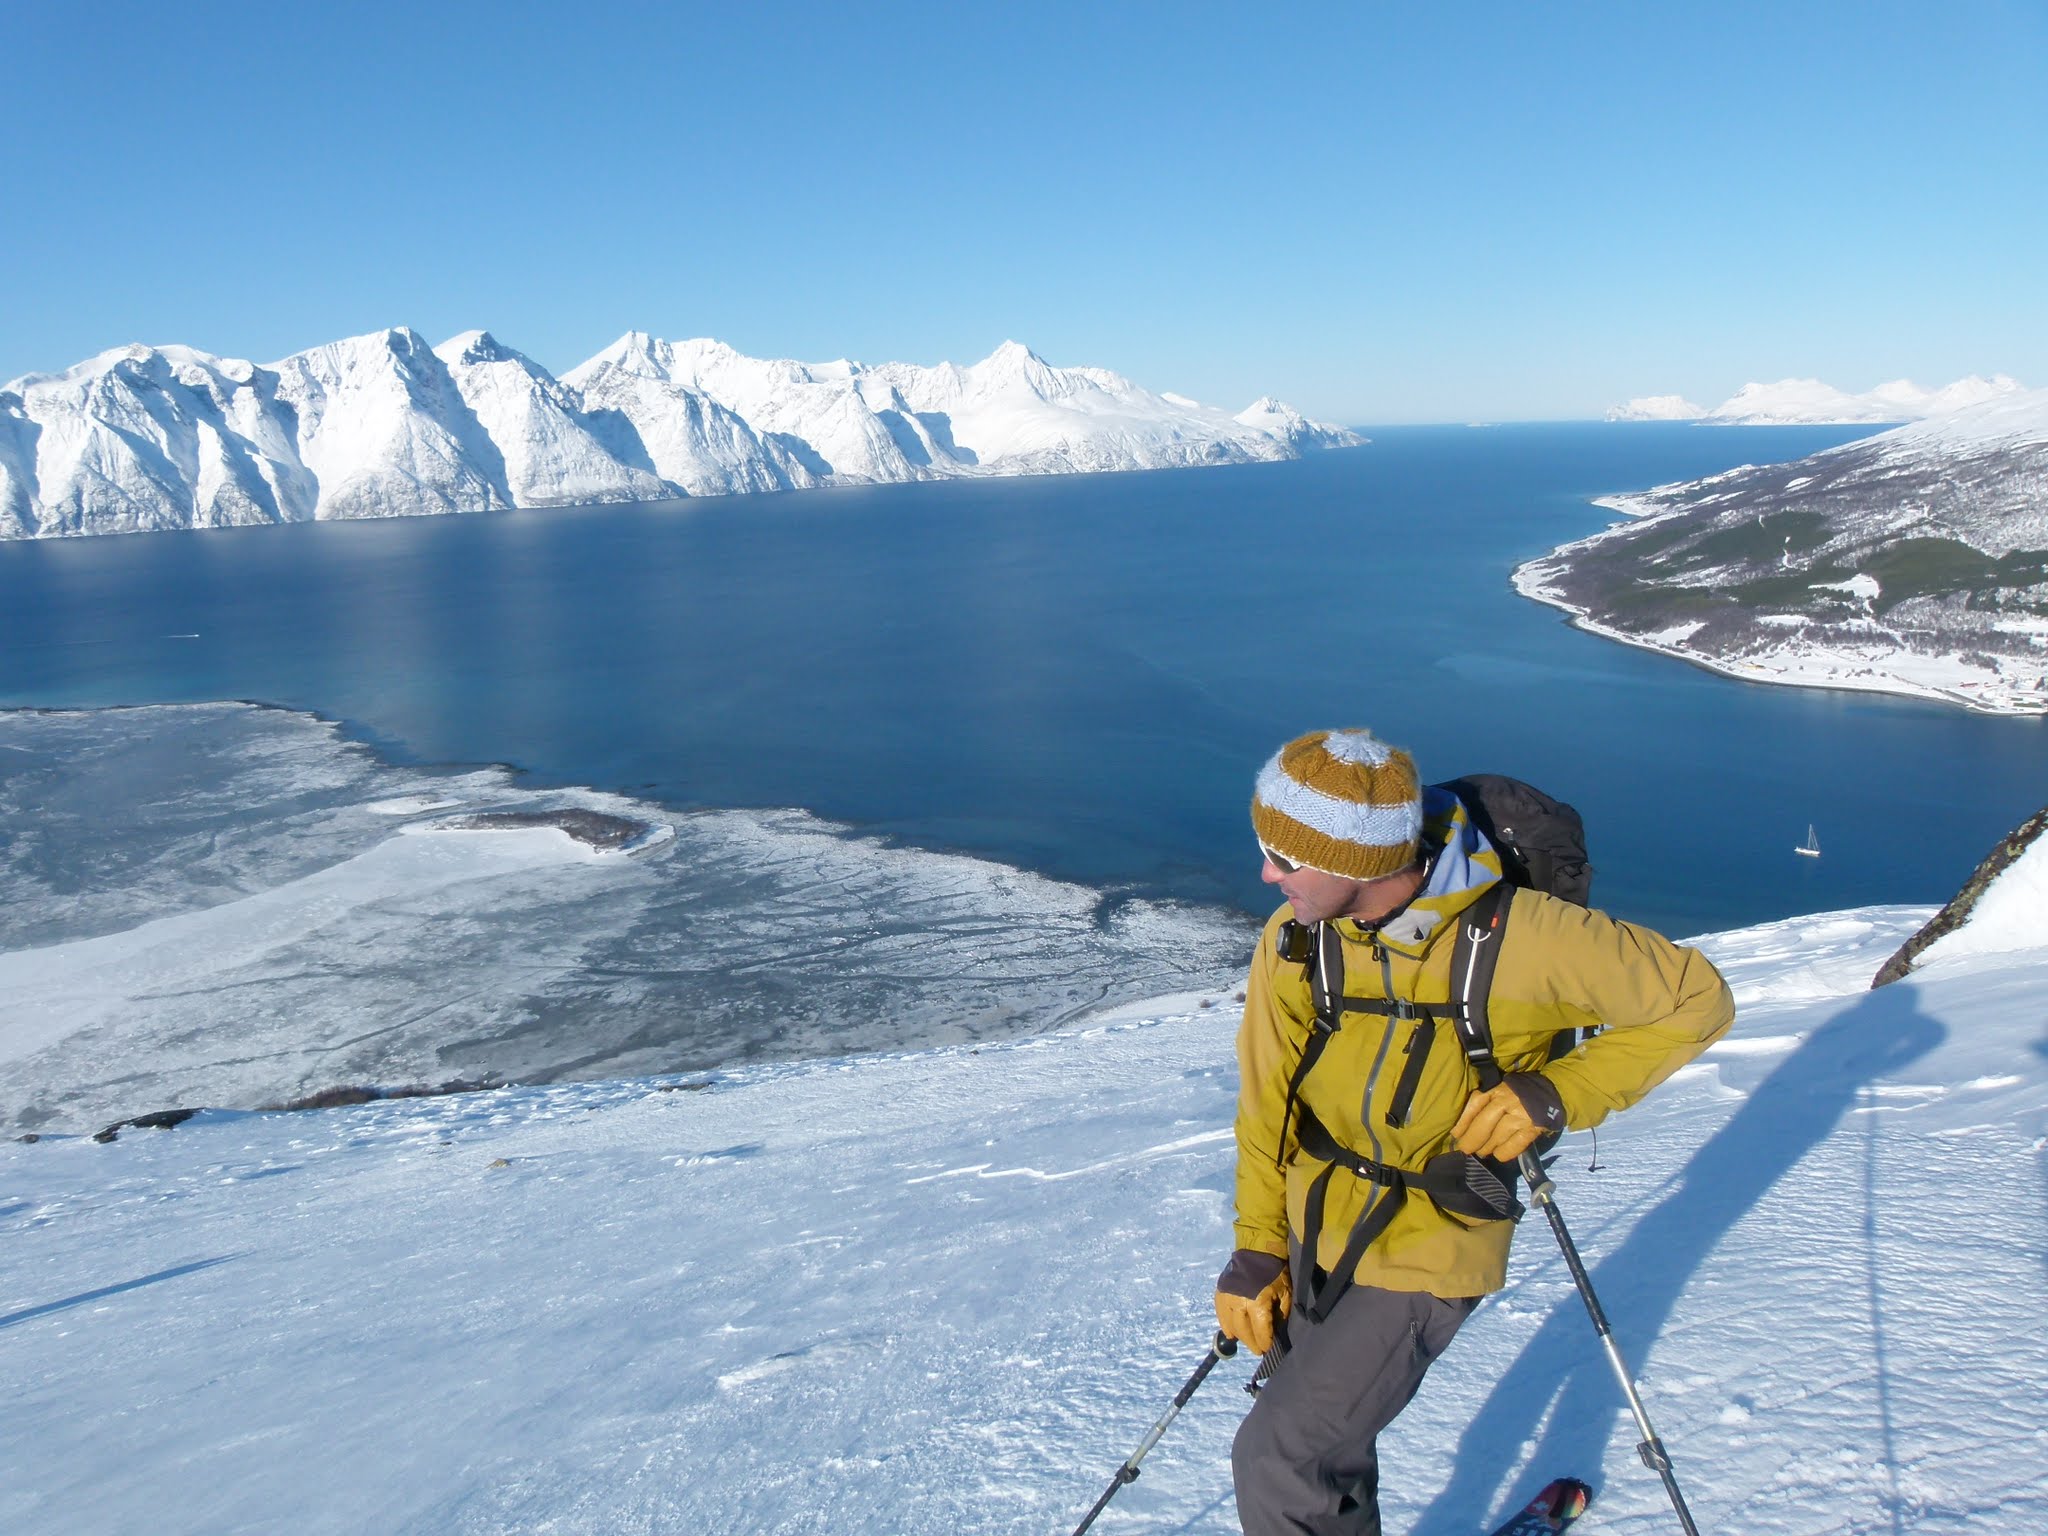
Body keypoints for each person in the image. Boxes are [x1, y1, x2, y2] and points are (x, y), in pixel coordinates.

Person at [1215, 728, 1733, 1536]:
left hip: (1436, 1235)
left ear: (1356, 862)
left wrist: (1556, 1093)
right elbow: (1267, 1104)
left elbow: (1696, 1000)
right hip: (1317, 1222)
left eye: (1286, 858)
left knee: (1282, 1457)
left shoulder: (1525, 939)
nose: (1266, 874)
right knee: (1327, 1447)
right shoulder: (1293, 943)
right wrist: (1258, 1245)